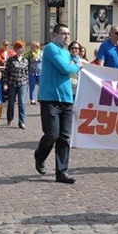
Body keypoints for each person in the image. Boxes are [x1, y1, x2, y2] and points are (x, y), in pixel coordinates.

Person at [34, 24, 82, 183]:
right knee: (52, 134)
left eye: (68, 33)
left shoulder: (67, 52)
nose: (67, 36)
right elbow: (64, 68)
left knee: (64, 137)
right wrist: (77, 66)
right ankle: (39, 155)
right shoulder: (50, 48)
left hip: (66, 98)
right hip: (50, 97)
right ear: (55, 35)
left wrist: (76, 62)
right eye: (63, 33)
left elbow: (72, 65)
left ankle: (62, 172)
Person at [3, 40, 29, 129]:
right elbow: (6, 72)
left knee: (22, 103)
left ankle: (22, 122)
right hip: (12, 83)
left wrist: (26, 83)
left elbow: (26, 72)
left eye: (23, 48)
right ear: (16, 49)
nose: (22, 49)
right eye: (20, 48)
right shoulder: (11, 60)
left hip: (22, 83)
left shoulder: (25, 60)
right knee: (11, 103)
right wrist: (5, 83)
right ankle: (10, 118)